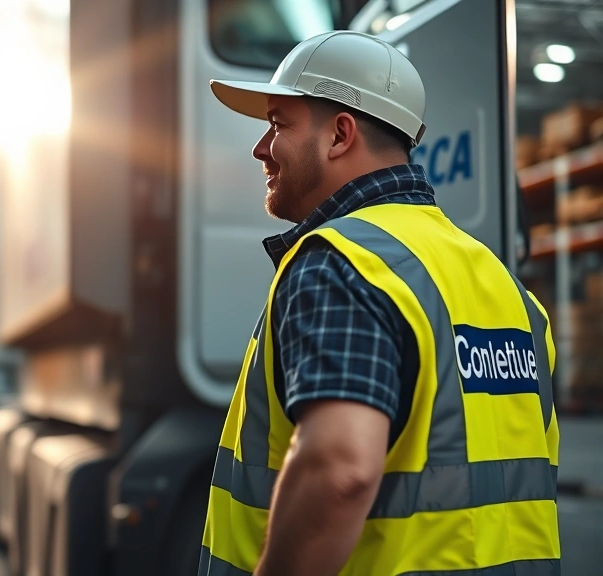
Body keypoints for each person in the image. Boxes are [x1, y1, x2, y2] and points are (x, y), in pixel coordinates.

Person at [198, 31, 561, 576]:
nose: (260, 148)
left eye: (277, 124)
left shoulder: (340, 263)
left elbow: (340, 469)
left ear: (340, 134)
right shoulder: (505, 286)